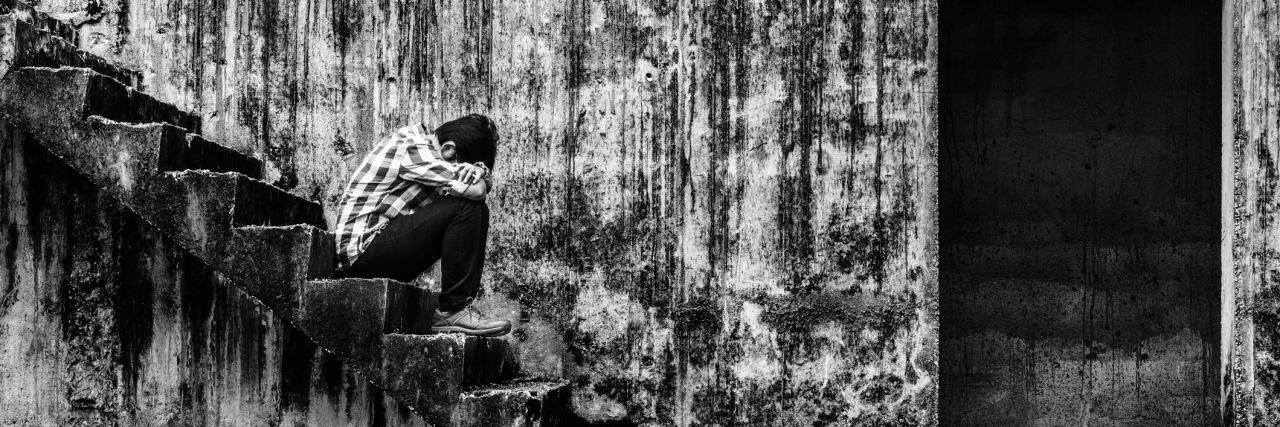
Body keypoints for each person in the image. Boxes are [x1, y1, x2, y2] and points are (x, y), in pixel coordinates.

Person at [333, 114, 510, 337]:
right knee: (466, 206)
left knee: (476, 208)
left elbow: (482, 187)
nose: (463, 171)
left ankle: (457, 308)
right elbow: (477, 191)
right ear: (448, 149)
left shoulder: (430, 152)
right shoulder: (412, 148)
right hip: (361, 253)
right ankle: (453, 309)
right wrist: (480, 178)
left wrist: (481, 171)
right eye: (462, 166)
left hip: (380, 249)